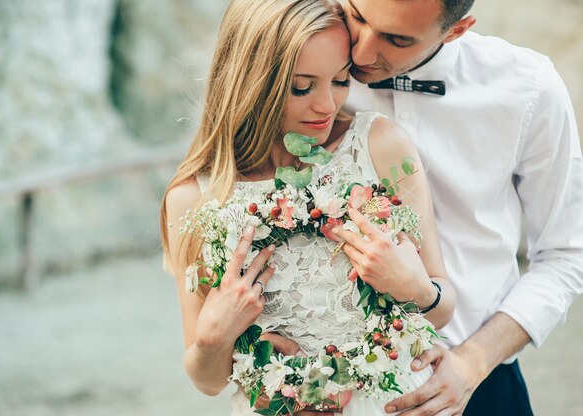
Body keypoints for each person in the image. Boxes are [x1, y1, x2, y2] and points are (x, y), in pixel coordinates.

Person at [160, 1, 457, 415]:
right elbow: (207, 381)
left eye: (339, 80)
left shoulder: (381, 146)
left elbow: (443, 309)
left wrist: (416, 288)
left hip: (392, 403)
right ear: (251, 81)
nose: (327, 105)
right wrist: (215, 337)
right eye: (302, 86)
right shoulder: (194, 197)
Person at [328, 0, 583, 415]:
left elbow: (566, 255)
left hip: (479, 384)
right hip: (334, 388)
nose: (360, 54)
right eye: (357, 16)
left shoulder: (530, 89)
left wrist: (473, 361)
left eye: (396, 39)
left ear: (456, 30)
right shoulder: (303, 62)